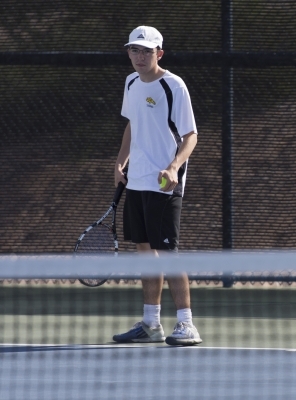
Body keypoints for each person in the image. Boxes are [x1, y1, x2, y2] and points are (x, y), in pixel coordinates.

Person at [112, 26, 202, 346]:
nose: (139, 56)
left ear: (158, 54)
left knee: (167, 253)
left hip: (165, 183)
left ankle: (187, 324)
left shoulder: (173, 85)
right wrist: (120, 162)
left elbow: (190, 136)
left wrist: (174, 167)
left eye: (146, 51)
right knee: (144, 252)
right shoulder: (131, 82)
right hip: (136, 182)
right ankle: (151, 324)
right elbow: (133, 125)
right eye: (134, 50)